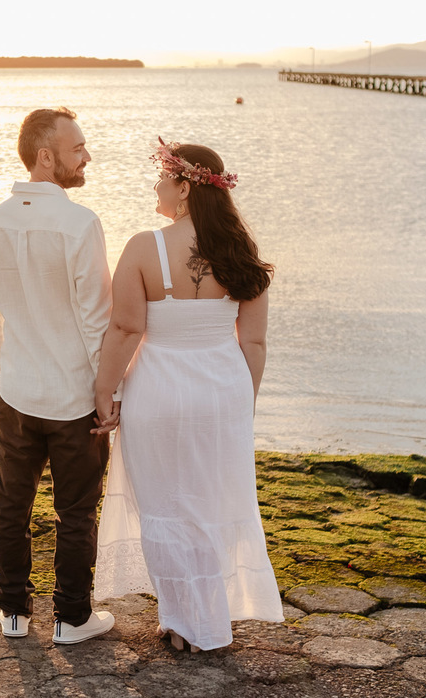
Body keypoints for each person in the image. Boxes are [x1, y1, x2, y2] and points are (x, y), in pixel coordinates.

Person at [91, 138, 284, 652]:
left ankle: (183, 622)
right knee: (210, 505)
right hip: (223, 392)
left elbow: (126, 329)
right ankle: (207, 622)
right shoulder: (243, 254)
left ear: (182, 186)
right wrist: (244, 403)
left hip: (160, 392)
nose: (155, 186)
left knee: (166, 505)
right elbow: (255, 342)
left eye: (161, 177)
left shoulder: (142, 247)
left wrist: (104, 391)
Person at [0, 107, 116, 645]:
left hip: (15, 393)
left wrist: (2, 372)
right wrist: (109, 393)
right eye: (77, 148)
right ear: (46, 156)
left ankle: (13, 614)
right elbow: (96, 321)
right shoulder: (80, 223)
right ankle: (71, 619)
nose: (86, 156)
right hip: (74, 399)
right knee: (76, 512)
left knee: (10, 504)